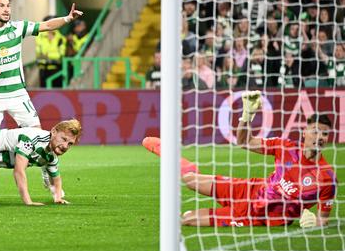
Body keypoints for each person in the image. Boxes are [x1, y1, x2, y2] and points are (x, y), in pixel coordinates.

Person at [143, 91, 337, 228]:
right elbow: (244, 142)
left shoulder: (327, 178)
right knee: (190, 180)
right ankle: (171, 155)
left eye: (325, 134)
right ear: (305, 133)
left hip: (261, 213)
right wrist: (247, 115)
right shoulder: (285, 147)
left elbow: (323, 220)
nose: (320, 138)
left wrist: (314, 224)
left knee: (187, 220)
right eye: (316, 132)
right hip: (252, 188)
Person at [0, 0, 83, 203]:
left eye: (8, 5)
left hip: (18, 94)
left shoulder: (17, 27)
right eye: (2, 5)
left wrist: (68, 18)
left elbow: (47, 26)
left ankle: (47, 175)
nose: (7, 9)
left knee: (38, 133)